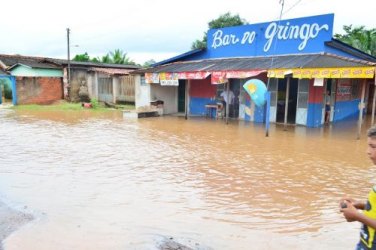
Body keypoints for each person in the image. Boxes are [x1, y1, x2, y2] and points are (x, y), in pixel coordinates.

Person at [340, 126, 376, 250]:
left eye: (373, 146)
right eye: (368, 146)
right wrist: (358, 205)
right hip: (365, 244)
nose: (368, 151)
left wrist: (357, 216)